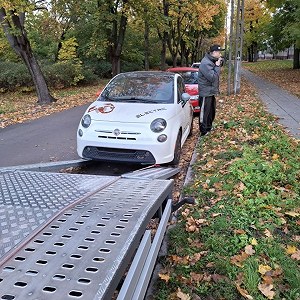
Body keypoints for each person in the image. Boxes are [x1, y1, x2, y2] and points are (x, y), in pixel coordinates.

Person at [198, 44, 225, 136]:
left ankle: (208, 127)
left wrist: (219, 63)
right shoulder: (205, 63)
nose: (220, 54)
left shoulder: (211, 60)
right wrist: (217, 66)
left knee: (211, 111)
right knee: (204, 113)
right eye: (219, 52)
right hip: (205, 92)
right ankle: (203, 131)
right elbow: (213, 77)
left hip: (211, 91)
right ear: (214, 53)